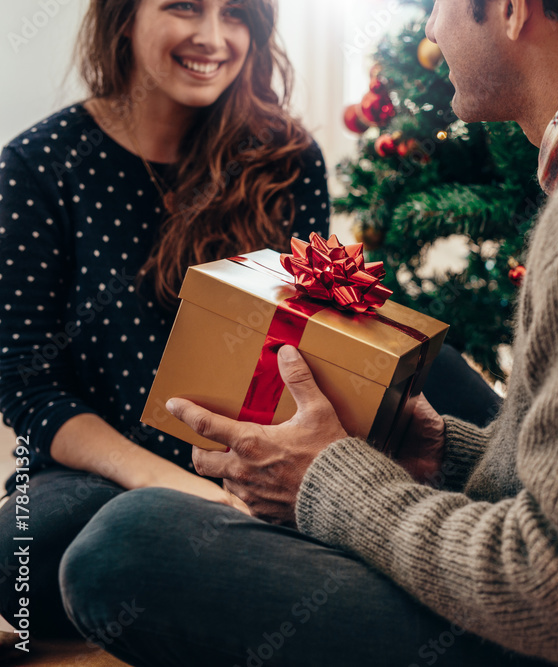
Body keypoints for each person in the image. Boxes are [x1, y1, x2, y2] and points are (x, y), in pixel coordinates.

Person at [59, 0, 558, 664]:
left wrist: (332, 484)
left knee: (124, 549)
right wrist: (440, 454)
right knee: (418, 380)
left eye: (440, 5)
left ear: (512, 11)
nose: (432, 32)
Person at [0, 0, 328, 638]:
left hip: (254, 467)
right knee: (29, 550)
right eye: (184, 7)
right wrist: (165, 481)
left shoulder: (286, 160)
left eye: (234, 14)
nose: (212, 38)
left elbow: (310, 344)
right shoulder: (37, 168)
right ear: (122, 17)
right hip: (95, 467)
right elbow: (24, 383)